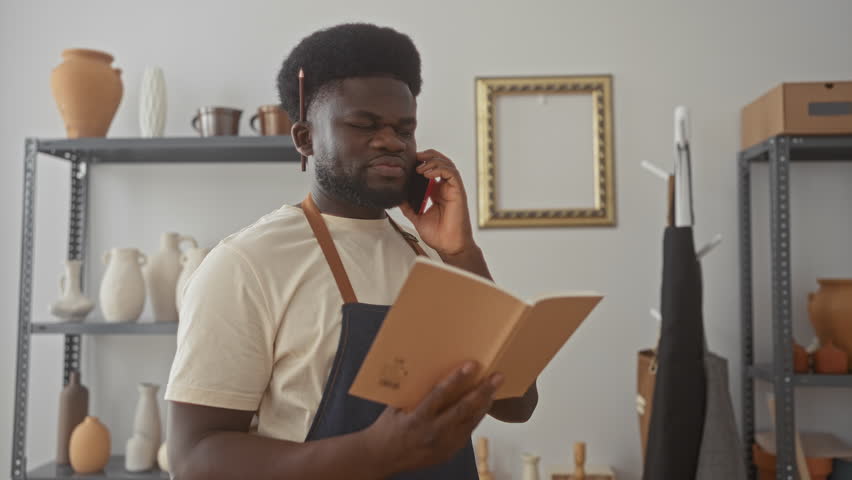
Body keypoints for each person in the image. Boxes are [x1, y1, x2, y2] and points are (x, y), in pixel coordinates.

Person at [165, 23, 538, 479]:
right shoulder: (247, 265)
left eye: (405, 128)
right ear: (304, 138)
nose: (392, 141)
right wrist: (372, 454)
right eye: (365, 124)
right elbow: (193, 459)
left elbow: (518, 403)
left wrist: (461, 252)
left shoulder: (431, 257)